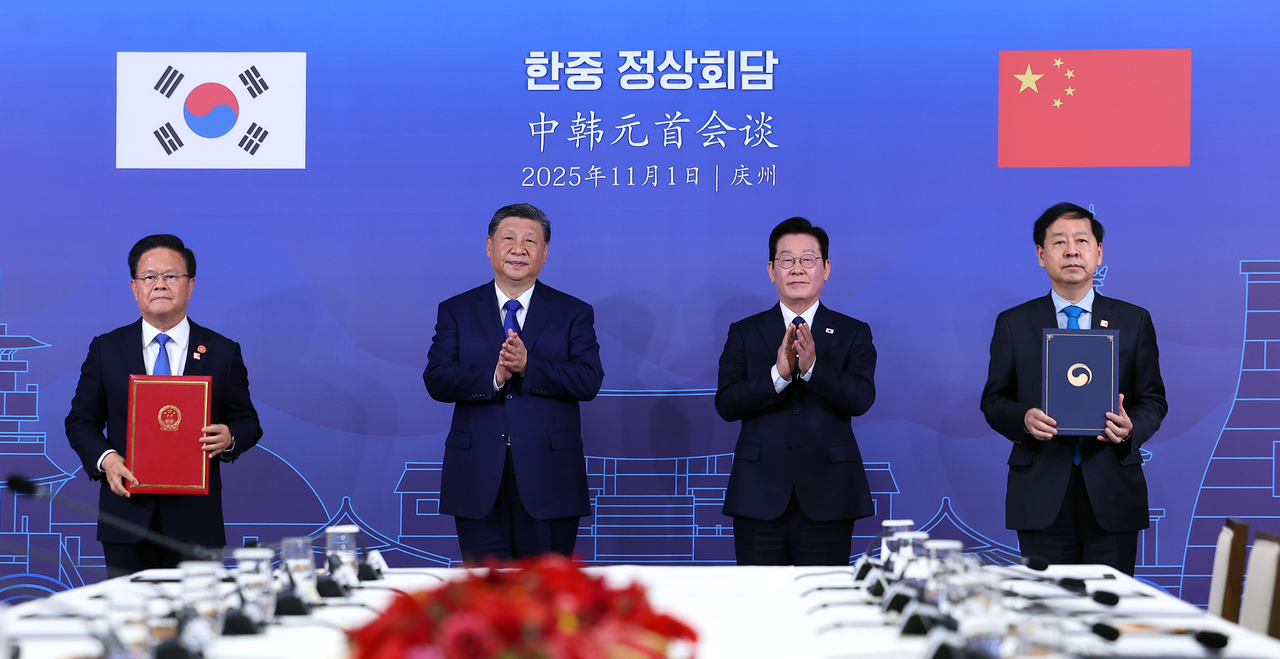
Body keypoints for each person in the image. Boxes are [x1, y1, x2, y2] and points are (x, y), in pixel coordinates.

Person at [981, 203, 1167, 575]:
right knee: (1047, 613)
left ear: (1098, 252)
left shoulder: (1133, 320)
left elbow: (1153, 400)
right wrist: (1024, 419)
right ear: (1040, 255)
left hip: (1112, 489)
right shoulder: (1015, 324)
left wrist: (1131, 428)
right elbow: (994, 400)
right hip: (1040, 491)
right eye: (1059, 242)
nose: (1071, 250)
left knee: (1109, 610)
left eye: (1082, 240)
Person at [65, 234, 262, 577]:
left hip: (196, 523)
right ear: (134, 287)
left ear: (190, 285)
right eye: (149, 277)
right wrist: (107, 459)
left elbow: (248, 420)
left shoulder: (221, 351)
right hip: (126, 517)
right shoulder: (106, 349)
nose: (160, 285)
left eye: (171, 276)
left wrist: (230, 437)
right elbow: (80, 420)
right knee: (130, 626)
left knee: (198, 623)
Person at [424, 203, 603, 561]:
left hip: (550, 480)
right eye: (508, 238)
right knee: (486, 598)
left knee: (547, 599)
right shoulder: (457, 310)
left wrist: (528, 367)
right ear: (489, 246)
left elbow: (588, 380)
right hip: (478, 478)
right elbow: (438, 379)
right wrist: (494, 376)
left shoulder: (573, 312)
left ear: (545, 253)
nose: (518, 248)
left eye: (530, 241)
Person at [716, 217, 878, 565]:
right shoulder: (744, 332)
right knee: (759, 609)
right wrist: (779, 375)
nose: (797, 269)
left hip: (829, 495)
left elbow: (861, 398)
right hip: (758, 495)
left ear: (826, 268)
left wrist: (814, 369)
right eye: (786, 260)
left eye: (808, 259)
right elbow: (727, 403)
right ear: (772, 270)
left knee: (825, 606)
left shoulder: (853, 332)